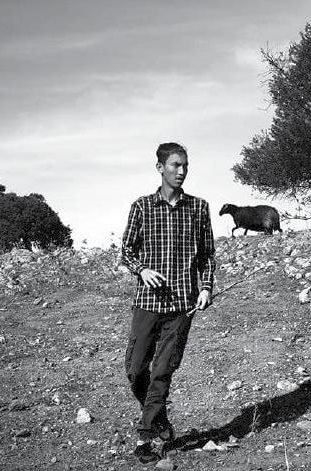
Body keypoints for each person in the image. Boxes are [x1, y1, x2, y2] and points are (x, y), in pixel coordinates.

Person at [120, 142, 215, 463]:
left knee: (162, 371)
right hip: (147, 303)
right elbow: (127, 250)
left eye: (185, 165)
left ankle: (146, 437)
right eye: (175, 165)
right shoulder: (142, 207)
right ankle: (160, 419)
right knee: (135, 370)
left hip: (182, 306)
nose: (181, 171)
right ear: (160, 168)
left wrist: (205, 288)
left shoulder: (199, 208)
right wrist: (142, 270)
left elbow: (207, 255)